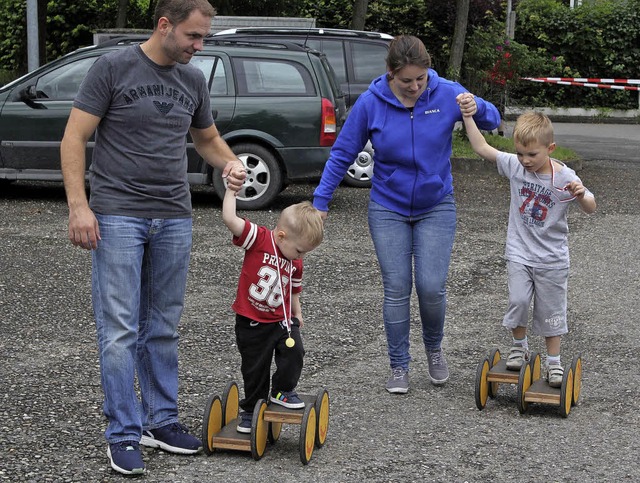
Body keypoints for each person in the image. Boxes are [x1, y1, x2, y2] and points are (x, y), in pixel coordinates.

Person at [60, 0, 246, 476]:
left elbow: (206, 138)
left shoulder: (193, 80)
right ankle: (122, 433)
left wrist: (229, 161)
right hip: (118, 214)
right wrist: (80, 207)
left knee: (162, 326)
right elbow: (74, 137)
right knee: (120, 329)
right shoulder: (114, 66)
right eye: (193, 37)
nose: (199, 47)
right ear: (165, 25)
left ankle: (159, 422)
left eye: (204, 38)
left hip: (173, 216)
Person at [312, 35, 501, 394]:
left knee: (431, 287)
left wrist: (474, 104)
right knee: (397, 289)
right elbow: (342, 154)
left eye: (421, 79)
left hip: (436, 205)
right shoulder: (371, 103)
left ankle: (434, 349)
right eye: (407, 81)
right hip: (388, 207)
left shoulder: (446, 92)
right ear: (390, 73)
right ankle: (399, 366)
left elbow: (494, 120)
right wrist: (321, 202)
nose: (415, 87)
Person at [458, 102, 596, 387]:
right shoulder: (514, 166)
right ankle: (519, 347)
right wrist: (468, 117)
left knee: (551, 312)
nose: (525, 160)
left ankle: (554, 362)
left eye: (532, 154)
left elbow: (591, 207)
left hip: (552, 259)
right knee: (518, 301)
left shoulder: (566, 178)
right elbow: (483, 148)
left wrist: (581, 194)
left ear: (551, 148)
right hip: (519, 252)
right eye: (520, 153)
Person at [222, 187, 324, 432]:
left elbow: (294, 289)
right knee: (255, 368)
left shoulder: (295, 260)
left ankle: (282, 390)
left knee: (295, 352)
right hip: (252, 321)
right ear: (281, 236)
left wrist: (297, 313)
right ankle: (251, 409)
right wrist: (230, 192)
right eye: (299, 250)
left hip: (281, 320)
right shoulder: (259, 238)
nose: (301, 257)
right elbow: (230, 220)